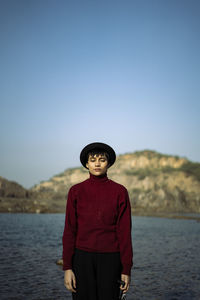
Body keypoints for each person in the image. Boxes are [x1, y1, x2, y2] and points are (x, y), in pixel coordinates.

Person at [62, 142, 133, 300]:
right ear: (87, 164)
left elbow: (125, 233)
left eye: (102, 159)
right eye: (93, 160)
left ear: (108, 164)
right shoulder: (76, 191)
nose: (97, 163)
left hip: (111, 259)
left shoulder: (120, 192)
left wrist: (126, 269)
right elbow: (69, 230)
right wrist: (67, 267)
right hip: (82, 259)